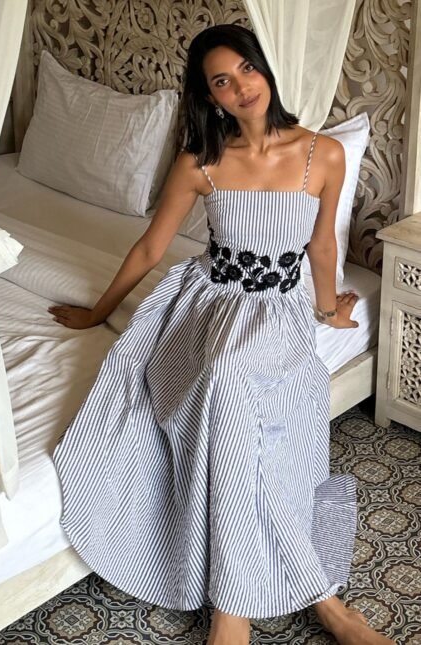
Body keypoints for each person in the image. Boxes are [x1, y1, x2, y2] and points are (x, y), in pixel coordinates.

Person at [50, 25, 394, 645]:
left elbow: (321, 247)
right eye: (222, 81)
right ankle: (319, 605)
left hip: (279, 310)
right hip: (208, 306)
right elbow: (151, 247)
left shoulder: (322, 154)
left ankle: (239, 615)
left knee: (243, 406)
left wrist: (328, 311)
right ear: (210, 97)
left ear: (265, 68)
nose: (241, 87)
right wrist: (100, 311)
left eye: (247, 69)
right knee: (230, 382)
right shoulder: (200, 163)